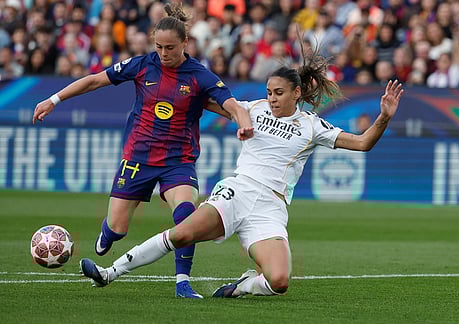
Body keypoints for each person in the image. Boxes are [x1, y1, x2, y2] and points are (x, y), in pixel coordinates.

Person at [79, 45, 403, 298]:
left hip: (271, 208)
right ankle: (110, 272)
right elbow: (201, 98)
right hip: (237, 191)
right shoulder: (252, 108)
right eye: (269, 92)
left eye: (278, 93)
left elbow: (362, 144)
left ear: (297, 94)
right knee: (181, 234)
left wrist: (384, 117)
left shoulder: (312, 126)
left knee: (278, 281)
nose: (272, 99)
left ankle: (240, 288)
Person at [32, 2, 253, 299]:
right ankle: (109, 232)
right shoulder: (142, 65)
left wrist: (243, 123)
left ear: (185, 43)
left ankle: (182, 282)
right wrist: (53, 100)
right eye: (159, 47)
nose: (163, 53)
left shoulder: (200, 76)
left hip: (178, 161)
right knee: (119, 227)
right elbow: (96, 80)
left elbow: (231, 105)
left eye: (170, 48)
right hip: (138, 158)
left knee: (187, 218)